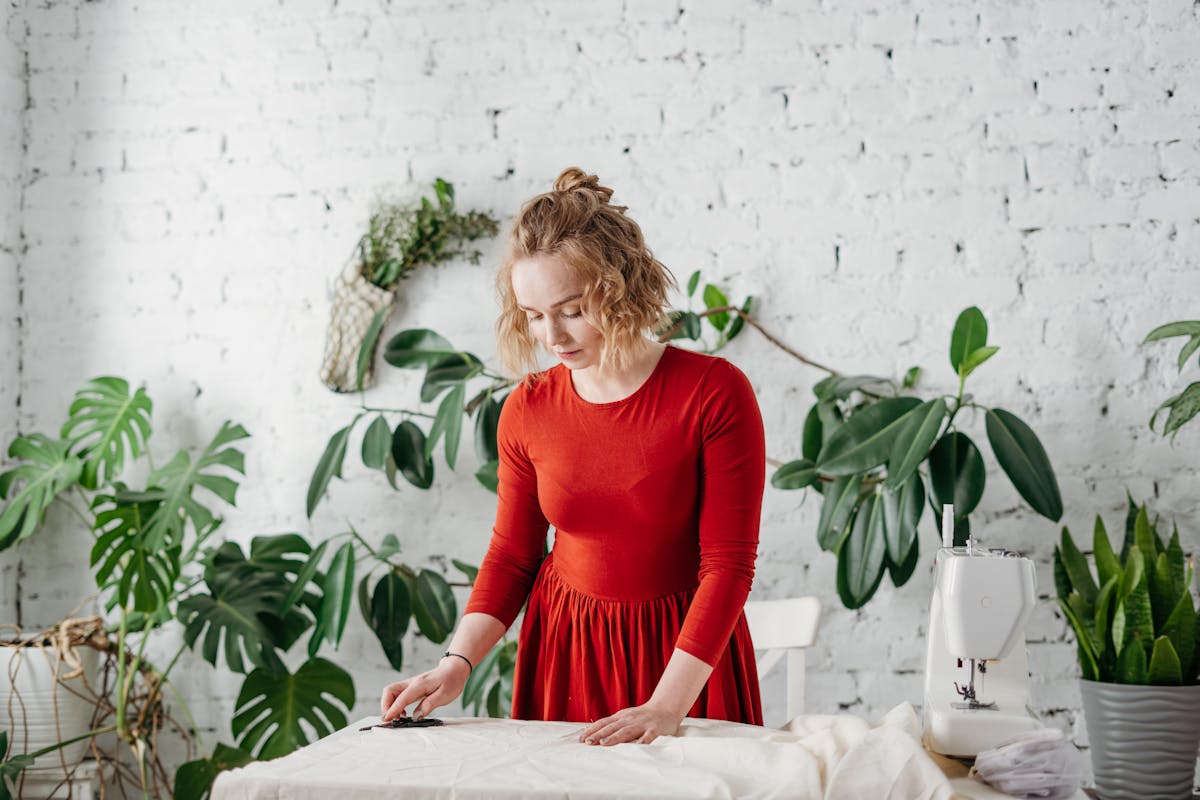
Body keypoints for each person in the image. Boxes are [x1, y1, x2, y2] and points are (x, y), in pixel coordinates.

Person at [380, 167, 766, 747]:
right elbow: (513, 557)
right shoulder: (528, 408)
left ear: (622, 287)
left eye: (571, 308)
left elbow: (727, 568)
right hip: (566, 647)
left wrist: (665, 707)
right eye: (533, 315)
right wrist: (455, 662)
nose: (551, 336)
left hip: (683, 659)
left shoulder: (713, 391)